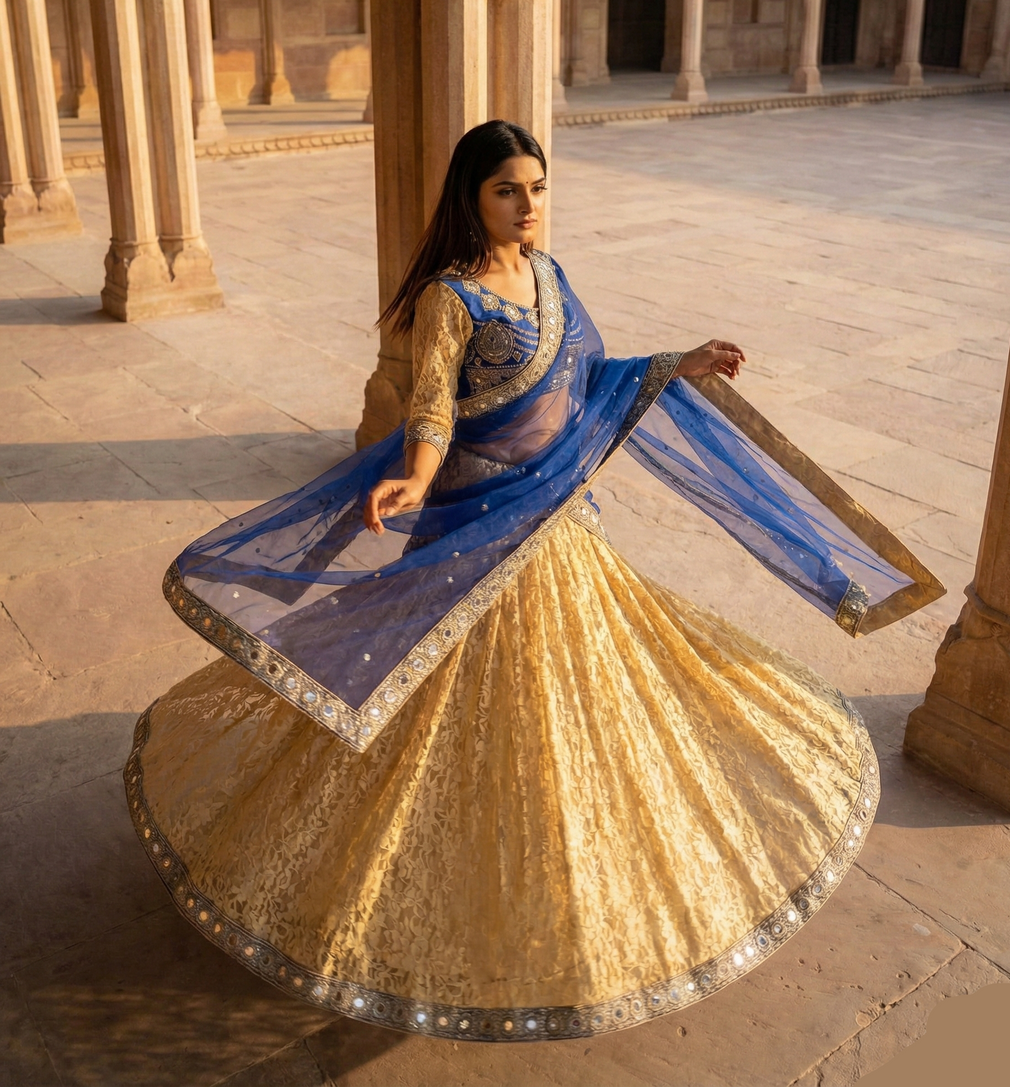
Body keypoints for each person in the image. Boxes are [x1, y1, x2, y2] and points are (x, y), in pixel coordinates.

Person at [128, 121, 943, 1042]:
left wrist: (680, 362)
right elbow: (431, 403)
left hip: (559, 529)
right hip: (476, 528)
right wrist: (416, 476)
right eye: (507, 190)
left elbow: (591, 372)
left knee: (571, 702)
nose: (527, 206)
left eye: (538, 188)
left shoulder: (548, 274)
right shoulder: (451, 298)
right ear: (470, 195)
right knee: (439, 706)